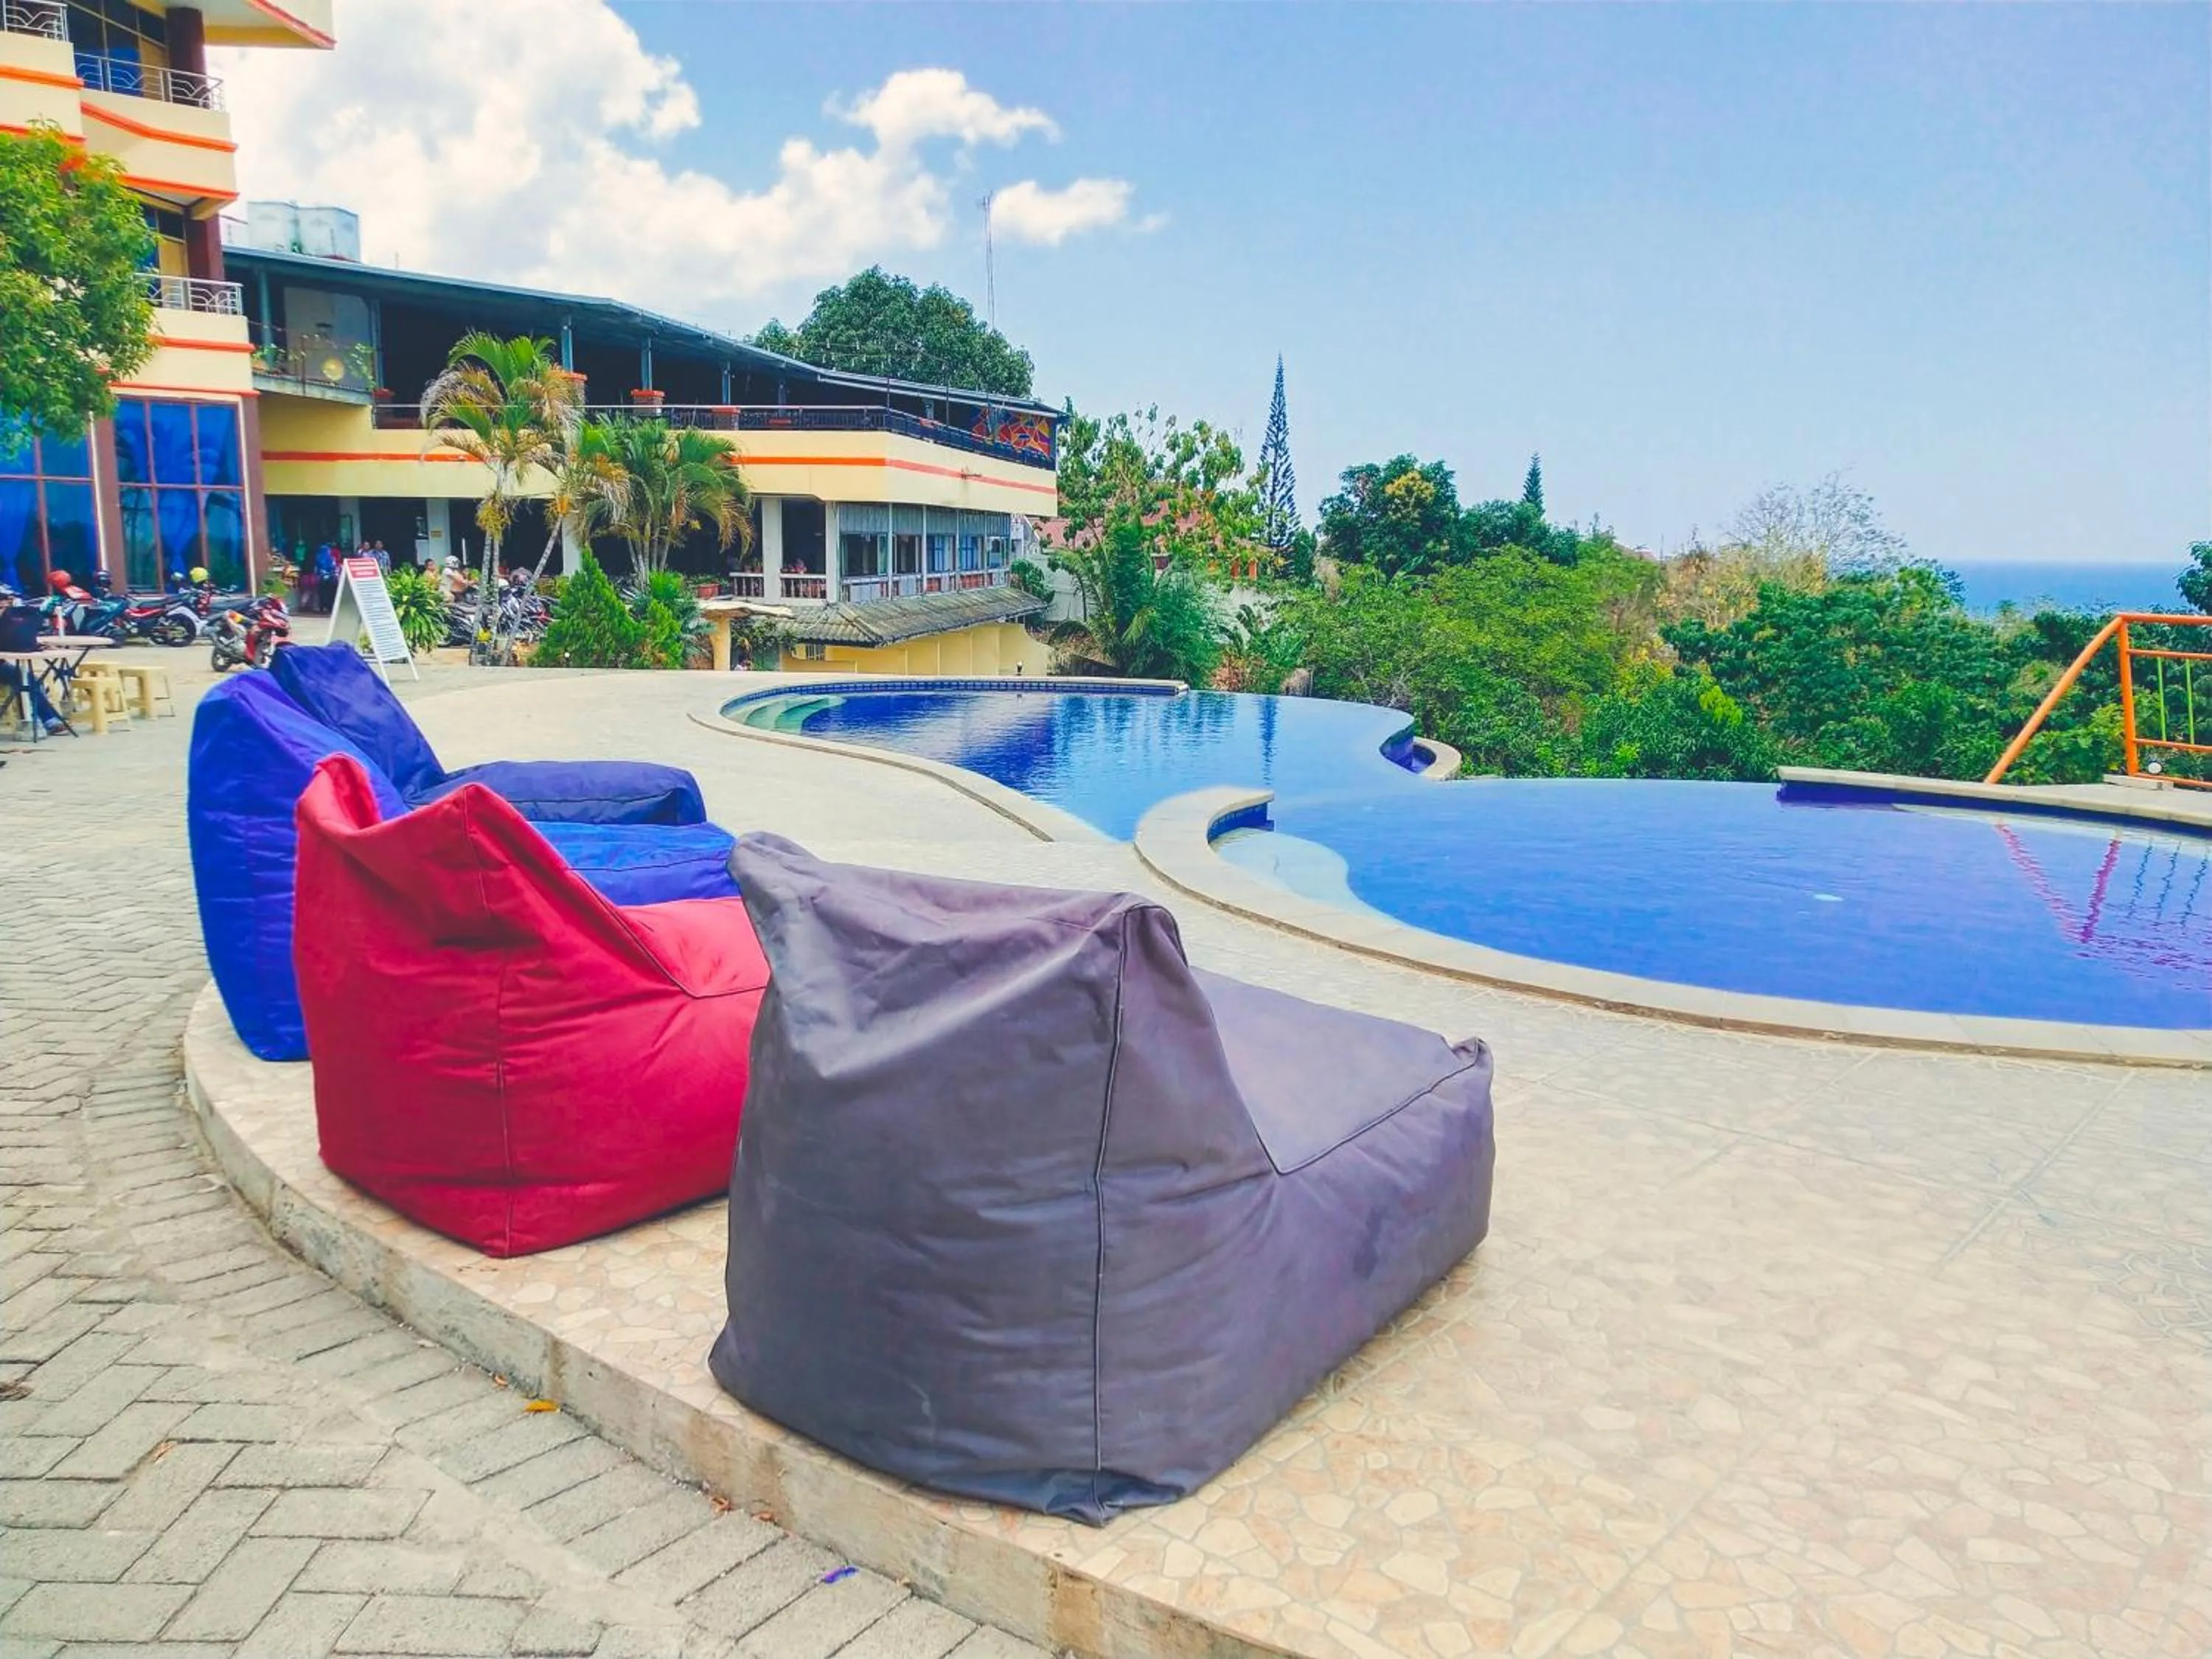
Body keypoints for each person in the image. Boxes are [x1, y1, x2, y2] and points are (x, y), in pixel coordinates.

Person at [314, 543, 338, 613]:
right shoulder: (332, 558)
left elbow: (316, 569)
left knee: (322, 594)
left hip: (321, 578)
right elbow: (334, 567)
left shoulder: (318, 557)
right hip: (330, 578)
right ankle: (330, 607)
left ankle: (322, 607)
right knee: (330, 593)